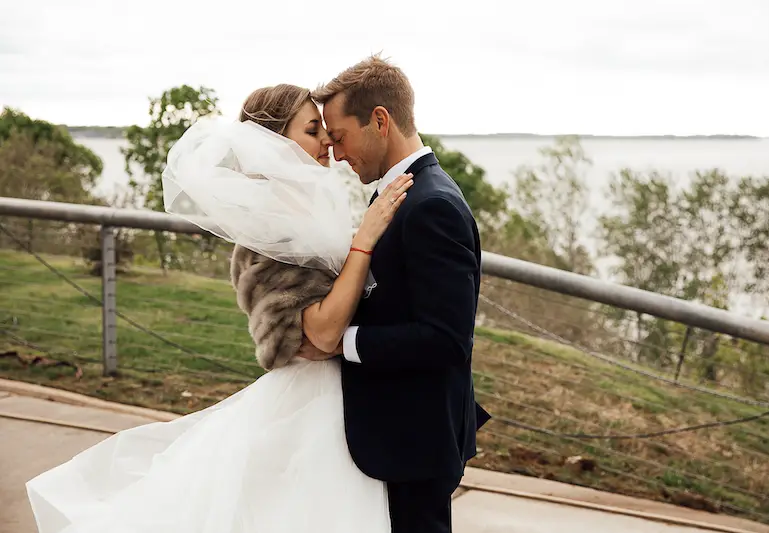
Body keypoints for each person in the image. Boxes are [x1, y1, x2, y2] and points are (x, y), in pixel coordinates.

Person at [24, 84, 412, 533]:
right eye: (312, 130)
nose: (327, 141)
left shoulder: (303, 211)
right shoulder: (268, 229)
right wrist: (364, 241)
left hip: (345, 399)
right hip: (311, 406)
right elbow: (321, 334)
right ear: (274, 144)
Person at [299, 55, 490, 533]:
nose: (336, 153)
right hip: (397, 435)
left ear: (379, 121)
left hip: (415, 442)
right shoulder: (401, 194)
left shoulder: (432, 207)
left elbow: (447, 339)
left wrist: (339, 342)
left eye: (339, 137)